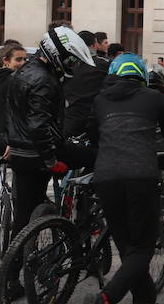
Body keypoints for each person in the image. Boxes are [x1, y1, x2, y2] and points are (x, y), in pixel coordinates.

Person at [77, 55, 164, 304]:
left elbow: (93, 135)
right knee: (142, 247)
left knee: (129, 247)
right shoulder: (155, 99)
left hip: (106, 176)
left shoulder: (101, 100)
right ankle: (105, 301)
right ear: (141, 75)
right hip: (140, 175)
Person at [6, 26, 97, 233]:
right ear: (57, 55)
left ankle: (17, 262)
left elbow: (13, 115)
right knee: (97, 156)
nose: (72, 65)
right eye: (71, 60)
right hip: (39, 152)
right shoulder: (44, 81)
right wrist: (51, 161)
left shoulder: (24, 71)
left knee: (25, 215)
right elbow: (38, 126)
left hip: (21, 151)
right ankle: (84, 218)